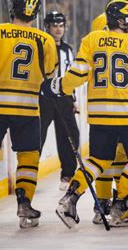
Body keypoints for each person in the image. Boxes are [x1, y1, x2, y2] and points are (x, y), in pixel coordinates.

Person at [42, 0, 128, 228]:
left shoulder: (91, 39)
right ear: (120, 19)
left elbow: (77, 75)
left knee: (98, 160)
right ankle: (120, 204)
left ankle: (70, 198)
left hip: (99, 113)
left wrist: (56, 86)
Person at [0, 0, 58, 228]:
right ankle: (24, 205)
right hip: (28, 108)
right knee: (29, 158)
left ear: (13, 8)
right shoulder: (45, 40)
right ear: (36, 14)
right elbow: (50, 75)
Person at [90, 0, 128, 225]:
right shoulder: (114, 26)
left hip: (104, 97)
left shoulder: (99, 22)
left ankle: (108, 202)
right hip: (123, 98)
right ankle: (114, 202)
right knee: (117, 157)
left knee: (108, 157)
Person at [39, 11, 79, 191]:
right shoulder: (42, 46)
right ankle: (28, 171)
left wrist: (74, 99)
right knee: (38, 135)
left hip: (64, 98)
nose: (58, 29)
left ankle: (68, 174)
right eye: (54, 25)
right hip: (45, 98)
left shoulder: (68, 50)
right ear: (47, 27)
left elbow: (71, 76)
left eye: (61, 25)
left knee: (70, 135)